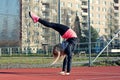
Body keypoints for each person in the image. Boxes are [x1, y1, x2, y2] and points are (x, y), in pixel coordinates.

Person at [29, 11, 78, 75]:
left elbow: (68, 58)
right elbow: (69, 58)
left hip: (67, 34)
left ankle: (37, 19)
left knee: (51, 25)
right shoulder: (68, 48)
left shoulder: (68, 49)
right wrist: (66, 72)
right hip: (68, 34)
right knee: (51, 25)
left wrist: (66, 72)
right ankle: (37, 19)